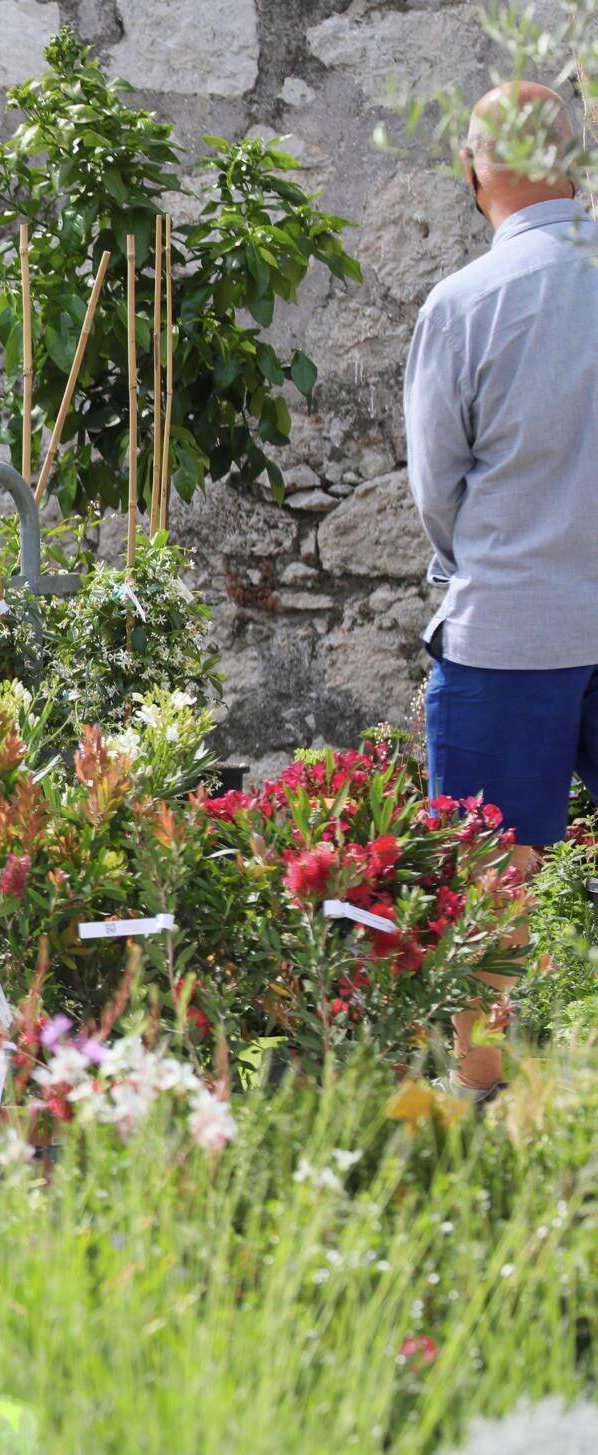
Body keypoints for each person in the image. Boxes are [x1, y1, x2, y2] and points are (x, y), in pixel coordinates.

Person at [404, 80, 596, 1100]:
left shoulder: (464, 304)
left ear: (476, 169)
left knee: (488, 886)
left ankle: (481, 1099)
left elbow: (438, 487)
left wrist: (474, 565)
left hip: (506, 631)